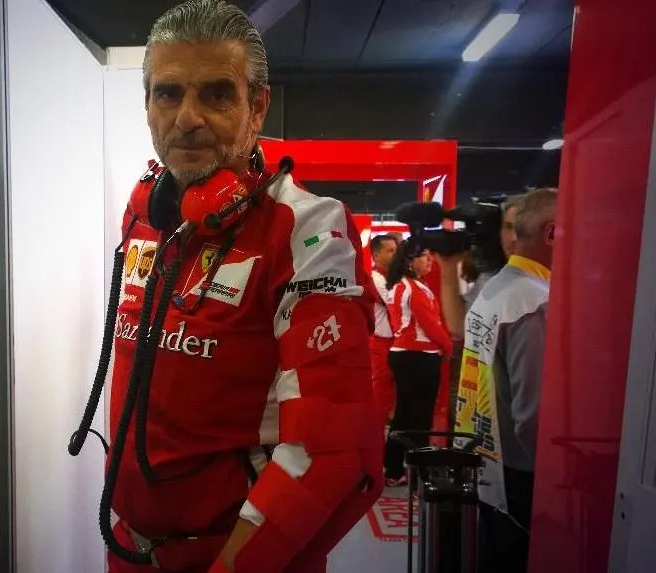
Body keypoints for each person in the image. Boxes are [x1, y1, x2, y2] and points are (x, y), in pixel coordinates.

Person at [104, 2, 384, 572]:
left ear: (257, 107)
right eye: (168, 93)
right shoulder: (148, 217)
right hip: (130, 548)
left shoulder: (306, 229)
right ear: (148, 105)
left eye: (215, 94)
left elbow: (329, 451)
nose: (186, 117)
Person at [453, 188, 557, 573]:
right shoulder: (534, 302)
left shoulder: (497, 289)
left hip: (489, 462)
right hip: (520, 477)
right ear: (551, 234)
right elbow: (534, 417)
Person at [382, 242, 452, 487]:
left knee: (404, 414)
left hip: (405, 354)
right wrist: (450, 346)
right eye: (424, 256)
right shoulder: (414, 289)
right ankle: (419, 473)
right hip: (419, 356)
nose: (430, 260)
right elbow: (431, 325)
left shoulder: (400, 286)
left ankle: (393, 468)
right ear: (409, 261)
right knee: (419, 416)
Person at [437, 194, 525, 338]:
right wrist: (448, 268)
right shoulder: (493, 275)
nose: (513, 238)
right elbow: (461, 326)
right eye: (508, 227)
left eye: (521, 228)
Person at [368, 234, 399, 421]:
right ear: (376, 255)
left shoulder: (391, 277)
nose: (395, 255)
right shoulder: (375, 279)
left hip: (393, 341)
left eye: (396, 250)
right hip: (381, 343)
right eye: (390, 251)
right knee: (382, 393)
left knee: (394, 392)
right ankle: (377, 440)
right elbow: (396, 305)